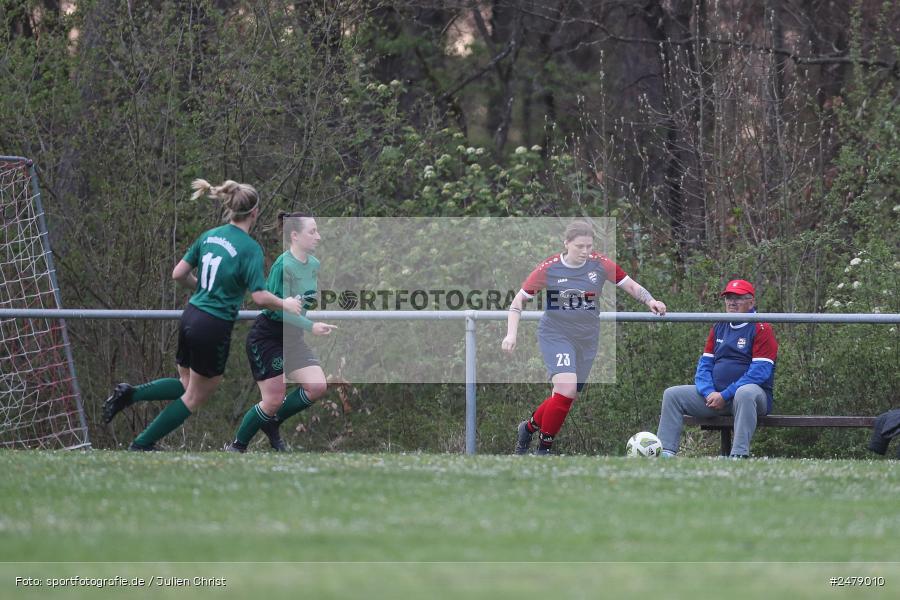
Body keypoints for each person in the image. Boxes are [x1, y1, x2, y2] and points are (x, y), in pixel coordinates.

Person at [103, 179, 302, 450]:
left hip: (191, 315)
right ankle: (142, 444)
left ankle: (132, 394)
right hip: (213, 325)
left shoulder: (209, 236)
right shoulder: (250, 249)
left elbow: (178, 274)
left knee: (187, 384)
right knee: (196, 395)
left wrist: (207, 287)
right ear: (254, 212)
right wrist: (287, 304)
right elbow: (259, 297)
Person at [502, 220, 667, 455]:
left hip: (587, 338)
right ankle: (543, 451)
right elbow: (517, 301)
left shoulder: (599, 264)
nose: (585, 251)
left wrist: (650, 300)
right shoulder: (549, 268)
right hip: (556, 334)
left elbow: (630, 286)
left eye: (589, 246)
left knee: (565, 397)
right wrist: (511, 334)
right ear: (566, 243)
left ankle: (528, 428)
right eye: (580, 246)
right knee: (566, 389)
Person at [225, 212, 337, 452]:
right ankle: (236, 447)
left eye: (318, 230)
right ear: (294, 236)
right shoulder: (283, 265)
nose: (318, 236)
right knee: (273, 399)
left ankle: (272, 422)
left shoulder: (314, 265)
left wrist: (309, 321)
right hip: (268, 337)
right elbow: (273, 309)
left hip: (293, 338)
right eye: (312, 231)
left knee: (317, 386)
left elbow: (302, 305)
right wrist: (311, 326)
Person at [656, 279, 778, 458]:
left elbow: (759, 373)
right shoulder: (719, 326)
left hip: (750, 399)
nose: (732, 302)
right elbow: (704, 366)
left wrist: (725, 394)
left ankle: (738, 455)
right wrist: (709, 392)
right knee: (672, 395)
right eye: (728, 297)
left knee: (745, 393)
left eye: (738, 298)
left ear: (751, 302)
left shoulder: (761, 328)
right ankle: (665, 453)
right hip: (716, 397)